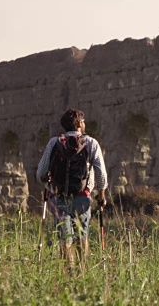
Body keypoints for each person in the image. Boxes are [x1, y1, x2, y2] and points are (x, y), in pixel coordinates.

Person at [37, 109, 108, 268]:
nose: (84, 124)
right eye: (83, 121)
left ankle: (69, 273)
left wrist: (47, 182)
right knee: (82, 236)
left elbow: (41, 172)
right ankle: (83, 272)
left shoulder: (54, 142)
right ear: (79, 124)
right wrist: (101, 194)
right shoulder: (91, 143)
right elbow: (101, 174)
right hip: (82, 197)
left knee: (65, 237)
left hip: (59, 197)